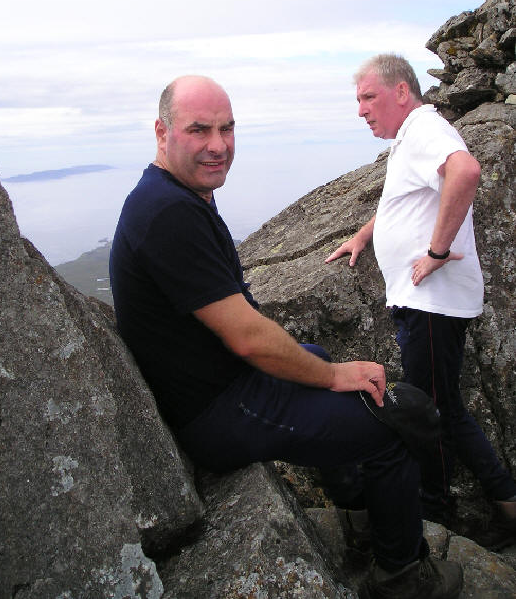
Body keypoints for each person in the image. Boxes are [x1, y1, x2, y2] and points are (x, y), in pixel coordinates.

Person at [110, 74, 463, 599]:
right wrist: (336, 375)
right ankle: (402, 577)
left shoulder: (179, 194)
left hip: (226, 386)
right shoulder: (166, 213)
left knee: (319, 359)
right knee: (392, 424)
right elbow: (248, 337)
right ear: (162, 132)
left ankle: (361, 524)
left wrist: (320, 368)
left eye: (227, 129)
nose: (218, 145)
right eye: (199, 130)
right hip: (220, 410)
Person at [326, 54, 516, 550]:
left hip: (431, 304)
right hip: (425, 305)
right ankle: (496, 501)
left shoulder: (425, 128)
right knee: (445, 408)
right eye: (359, 100)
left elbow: (466, 172)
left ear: (402, 93)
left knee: (430, 412)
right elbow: (402, 201)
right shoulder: (409, 139)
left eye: (369, 97)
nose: (362, 110)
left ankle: (439, 507)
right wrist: (363, 236)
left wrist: (434, 253)